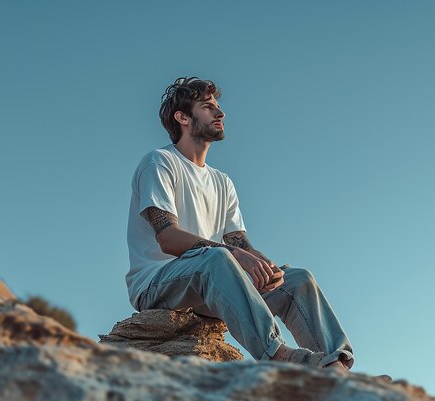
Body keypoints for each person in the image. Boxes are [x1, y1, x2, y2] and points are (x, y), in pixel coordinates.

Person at [125, 77, 354, 373]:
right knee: (218, 258)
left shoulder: (223, 181)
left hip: (214, 282)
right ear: (182, 117)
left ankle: (336, 366)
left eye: (218, 107)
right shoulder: (159, 162)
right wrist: (234, 256)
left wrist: (266, 266)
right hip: (157, 284)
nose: (220, 114)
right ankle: (277, 355)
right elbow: (167, 238)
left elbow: (239, 244)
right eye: (208, 107)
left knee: (297, 279)